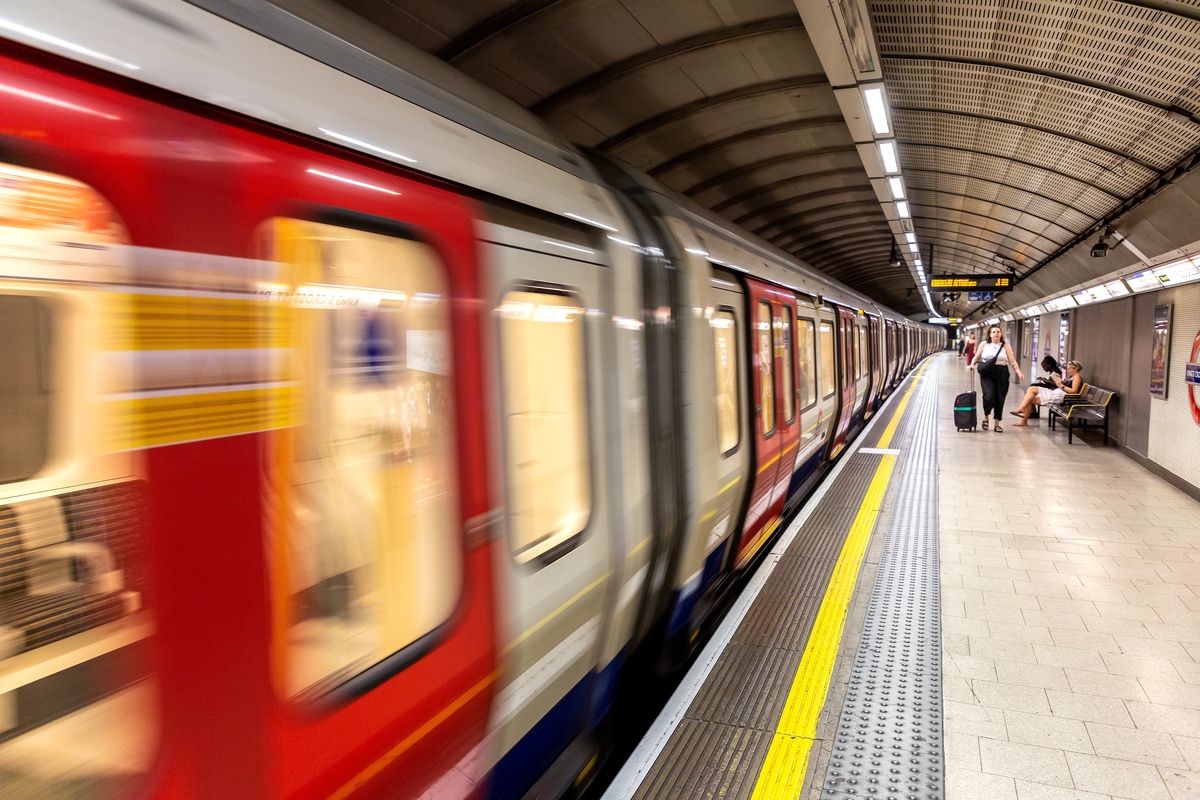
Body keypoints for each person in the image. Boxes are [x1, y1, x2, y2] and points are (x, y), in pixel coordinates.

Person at [971, 325, 1024, 432]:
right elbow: (976, 357)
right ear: (990, 334)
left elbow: (1012, 361)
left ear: (1001, 334)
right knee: (988, 395)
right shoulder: (984, 344)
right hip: (987, 373)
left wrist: (1018, 371)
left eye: (998, 332)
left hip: (1002, 373)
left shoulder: (1006, 345)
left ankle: (997, 423)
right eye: (994, 332)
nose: (996, 334)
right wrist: (972, 364)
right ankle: (986, 417)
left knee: (1000, 398)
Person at [1011, 360, 1083, 426]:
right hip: (1058, 392)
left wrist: (1062, 386)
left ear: (1076, 369)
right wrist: (1060, 380)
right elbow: (1066, 386)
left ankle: (1023, 418)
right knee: (1030, 389)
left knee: (1029, 398)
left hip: (1061, 396)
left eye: (1069, 369)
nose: (1068, 371)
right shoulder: (1073, 377)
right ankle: (1022, 411)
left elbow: (1074, 391)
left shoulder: (1077, 377)